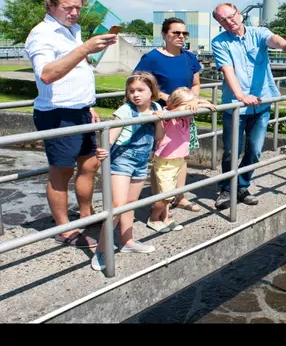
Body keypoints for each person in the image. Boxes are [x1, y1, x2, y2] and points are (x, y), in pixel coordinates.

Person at [24, 0, 118, 249]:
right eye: (68, 7)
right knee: (62, 172)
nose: (75, 12)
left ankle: (86, 216)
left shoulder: (71, 30)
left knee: (89, 166)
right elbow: (47, 74)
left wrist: (88, 106)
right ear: (51, 6)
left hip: (81, 111)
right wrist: (85, 49)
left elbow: (75, 72)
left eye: (78, 7)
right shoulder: (41, 34)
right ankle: (64, 229)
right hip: (57, 114)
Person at [210, 2, 286, 210]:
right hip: (235, 105)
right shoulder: (219, 42)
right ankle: (226, 189)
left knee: (255, 150)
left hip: (262, 101)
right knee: (232, 150)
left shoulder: (258, 33)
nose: (229, 22)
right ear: (219, 23)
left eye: (231, 16)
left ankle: (241, 186)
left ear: (239, 14)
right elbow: (227, 70)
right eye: (223, 20)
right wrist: (241, 96)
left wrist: (285, 45)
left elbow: (272, 39)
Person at [90, 72, 164, 271]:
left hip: (141, 161)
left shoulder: (157, 108)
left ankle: (127, 241)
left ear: (152, 92)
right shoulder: (125, 110)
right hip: (122, 161)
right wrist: (103, 148)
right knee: (116, 205)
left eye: (141, 90)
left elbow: (159, 136)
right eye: (131, 91)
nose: (136, 95)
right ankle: (102, 249)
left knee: (130, 203)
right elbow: (111, 135)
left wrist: (158, 120)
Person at [134, 17, 204, 214]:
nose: (181, 36)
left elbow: (196, 83)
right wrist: (170, 99)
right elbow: (139, 83)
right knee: (161, 158)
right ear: (165, 35)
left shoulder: (189, 57)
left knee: (182, 155)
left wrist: (192, 100)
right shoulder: (152, 58)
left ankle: (180, 196)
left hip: (185, 116)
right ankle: (160, 203)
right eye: (176, 33)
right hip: (162, 115)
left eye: (184, 33)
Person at [149, 87, 216, 231]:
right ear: (174, 103)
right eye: (187, 105)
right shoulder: (167, 114)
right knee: (167, 195)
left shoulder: (185, 116)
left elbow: (206, 103)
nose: (190, 109)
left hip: (179, 159)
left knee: (170, 193)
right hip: (166, 161)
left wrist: (201, 102)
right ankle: (153, 218)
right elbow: (173, 112)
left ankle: (165, 218)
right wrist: (191, 105)